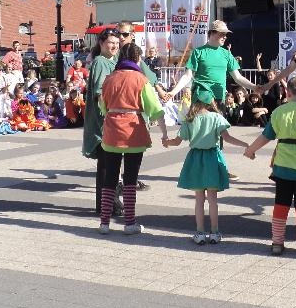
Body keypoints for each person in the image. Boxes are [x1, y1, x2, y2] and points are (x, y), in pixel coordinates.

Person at [164, 20, 260, 181]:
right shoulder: (198, 52)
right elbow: (187, 76)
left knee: (219, 134)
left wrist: (254, 87)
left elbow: (238, 77)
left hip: (218, 99)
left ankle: (219, 167)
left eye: (226, 35)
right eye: (222, 34)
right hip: (201, 98)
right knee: (199, 132)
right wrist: (173, 92)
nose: (225, 37)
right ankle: (200, 168)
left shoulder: (226, 54)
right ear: (212, 34)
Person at [244, 77, 296, 256]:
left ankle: (277, 243)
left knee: (281, 204)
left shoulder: (278, 112)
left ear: (287, 93)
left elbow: (266, 136)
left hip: (282, 167)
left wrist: (250, 150)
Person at [96, 42, 167, 236]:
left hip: (112, 132)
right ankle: (129, 223)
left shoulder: (109, 78)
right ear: (137, 58)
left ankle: (104, 223)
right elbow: (155, 109)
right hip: (133, 133)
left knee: (109, 178)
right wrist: (164, 134)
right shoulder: (141, 79)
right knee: (130, 179)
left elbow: (103, 106)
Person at [165, 86, 248, 245]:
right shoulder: (216, 117)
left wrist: (167, 142)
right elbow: (228, 138)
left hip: (195, 159)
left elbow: (176, 141)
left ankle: (200, 232)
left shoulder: (190, 120)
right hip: (212, 158)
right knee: (213, 200)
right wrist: (245, 144)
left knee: (199, 200)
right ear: (210, 101)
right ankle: (215, 232)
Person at [82, 28, 121, 216]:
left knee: (111, 164)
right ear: (101, 43)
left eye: (116, 43)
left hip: (111, 119)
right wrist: (109, 114)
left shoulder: (114, 61)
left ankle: (108, 203)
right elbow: (100, 92)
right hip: (103, 120)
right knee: (106, 165)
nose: (114, 46)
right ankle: (106, 205)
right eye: (110, 42)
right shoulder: (100, 62)